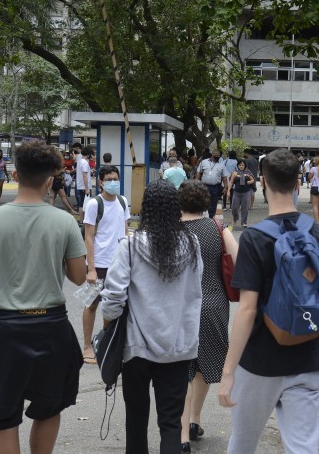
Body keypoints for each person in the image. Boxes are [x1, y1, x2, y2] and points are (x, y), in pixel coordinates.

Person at [0, 141, 87, 451]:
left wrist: (0, 275)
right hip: (51, 328)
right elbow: (79, 276)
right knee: (49, 407)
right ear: (51, 179)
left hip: (4, 331)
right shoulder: (65, 222)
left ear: (15, 174)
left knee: (3, 416)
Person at [218, 149, 319, 453]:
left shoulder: (256, 238)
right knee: (303, 448)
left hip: (260, 364)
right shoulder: (317, 232)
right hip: (308, 358)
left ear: (262, 183)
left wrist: (228, 372)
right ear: (299, 183)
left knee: (243, 444)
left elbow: (247, 310)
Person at [101, 180, 203, 453]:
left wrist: (108, 324)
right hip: (179, 348)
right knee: (171, 423)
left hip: (137, 348)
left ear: (145, 208)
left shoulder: (131, 246)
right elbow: (195, 294)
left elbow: (113, 296)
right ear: (176, 208)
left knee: (136, 420)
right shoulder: (192, 244)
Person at [177, 180, 238, 451]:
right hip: (214, 304)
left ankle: (182, 434)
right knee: (203, 365)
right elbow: (241, 261)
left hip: (180, 307)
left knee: (183, 368)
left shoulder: (173, 231)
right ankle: (194, 419)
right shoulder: (218, 228)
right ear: (206, 203)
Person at [82, 165, 130, 363]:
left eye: (115, 178)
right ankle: (86, 346)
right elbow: (89, 237)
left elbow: (125, 232)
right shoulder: (94, 204)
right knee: (92, 304)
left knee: (114, 305)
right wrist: (91, 268)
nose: (113, 182)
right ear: (100, 181)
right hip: (99, 263)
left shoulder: (123, 201)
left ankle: (105, 342)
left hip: (119, 263)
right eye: (109, 179)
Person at [195, 149, 227, 218]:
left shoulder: (221, 165)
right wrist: (196, 184)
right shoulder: (204, 162)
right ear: (212, 155)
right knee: (202, 201)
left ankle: (211, 218)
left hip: (215, 187)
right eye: (216, 156)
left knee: (213, 203)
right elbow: (198, 173)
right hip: (204, 186)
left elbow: (224, 177)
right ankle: (201, 217)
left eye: (219, 156)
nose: (218, 157)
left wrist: (225, 187)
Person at [229, 159, 255, 228]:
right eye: (240, 165)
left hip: (246, 193)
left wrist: (250, 182)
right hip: (236, 192)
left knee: (245, 208)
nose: (241, 166)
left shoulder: (248, 172)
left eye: (243, 165)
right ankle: (235, 218)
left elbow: (253, 179)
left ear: (245, 165)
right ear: (238, 165)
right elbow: (231, 182)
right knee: (234, 207)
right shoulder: (235, 172)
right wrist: (228, 190)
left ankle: (244, 222)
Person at [75, 147, 93, 217]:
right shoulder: (85, 163)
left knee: (81, 204)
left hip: (80, 186)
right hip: (84, 187)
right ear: (88, 154)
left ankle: (81, 221)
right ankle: (85, 220)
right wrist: (87, 188)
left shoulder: (79, 161)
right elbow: (84, 176)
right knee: (86, 204)